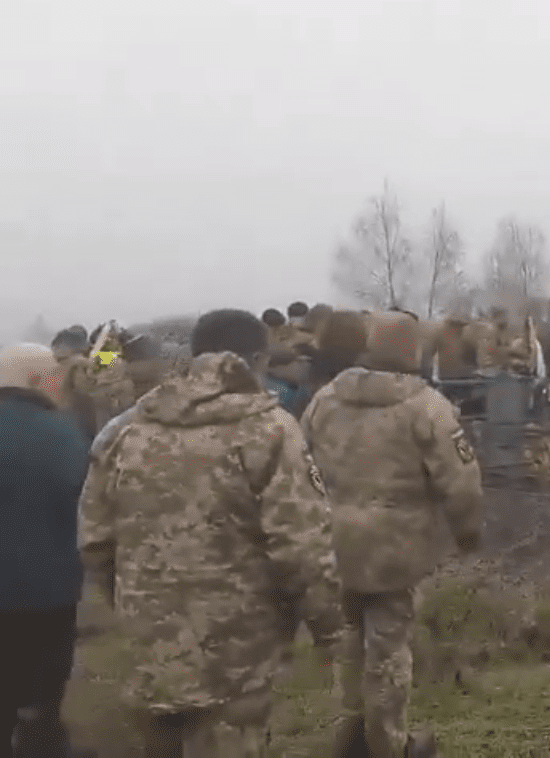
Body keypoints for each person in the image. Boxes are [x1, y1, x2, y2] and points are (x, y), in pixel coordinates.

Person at [79, 309, 344, 756]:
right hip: (237, 655)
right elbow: (300, 546)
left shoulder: (129, 430)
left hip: (155, 646)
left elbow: (95, 538)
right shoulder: (268, 430)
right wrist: (331, 632)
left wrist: (135, 602)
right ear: (257, 360)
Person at [301, 312, 483, 758]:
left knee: (348, 638)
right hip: (395, 548)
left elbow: (299, 465)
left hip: (334, 543)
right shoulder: (427, 406)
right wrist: (468, 534)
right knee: (389, 649)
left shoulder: (325, 400)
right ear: (411, 350)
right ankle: (389, 744)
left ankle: (350, 731)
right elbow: (460, 482)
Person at [0, 344, 95, 758]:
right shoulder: (60, 433)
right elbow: (86, 504)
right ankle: (41, 744)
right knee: (42, 685)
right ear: (36, 380)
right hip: (48, 588)